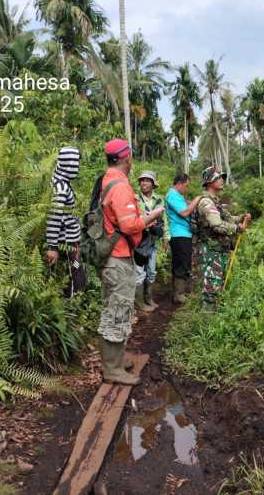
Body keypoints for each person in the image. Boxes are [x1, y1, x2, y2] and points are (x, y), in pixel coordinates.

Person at [98, 139, 164, 385]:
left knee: (115, 307)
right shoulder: (121, 186)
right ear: (127, 158)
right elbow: (128, 225)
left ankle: (115, 359)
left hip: (111, 256)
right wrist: (151, 216)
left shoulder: (106, 179)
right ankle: (112, 369)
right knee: (118, 310)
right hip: (118, 256)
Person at [195, 167, 251, 310]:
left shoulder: (215, 201)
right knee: (212, 288)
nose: (221, 180)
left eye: (221, 177)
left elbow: (228, 218)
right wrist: (237, 228)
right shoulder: (206, 202)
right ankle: (206, 321)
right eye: (218, 177)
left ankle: (213, 317)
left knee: (218, 285)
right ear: (209, 181)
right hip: (211, 252)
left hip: (219, 251)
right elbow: (217, 225)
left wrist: (241, 218)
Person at [45, 147, 83, 296]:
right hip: (66, 241)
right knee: (74, 274)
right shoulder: (60, 187)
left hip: (68, 240)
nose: (78, 167)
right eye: (76, 163)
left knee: (71, 272)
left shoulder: (60, 181)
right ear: (70, 164)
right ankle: (74, 306)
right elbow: (54, 216)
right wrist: (52, 246)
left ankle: (73, 304)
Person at [135, 171, 170, 312]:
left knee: (151, 271)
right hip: (139, 242)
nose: (144, 183)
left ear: (153, 184)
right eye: (142, 180)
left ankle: (148, 298)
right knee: (139, 272)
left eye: (147, 180)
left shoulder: (160, 199)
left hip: (154, 241)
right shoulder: (135, 199)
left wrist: (166, 237)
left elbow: (164, 220)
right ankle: (139, 302)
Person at [165, 174, 202, 304]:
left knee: (182, 262)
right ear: (179, 183)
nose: (186, 189)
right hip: (179, 234)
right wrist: (197, 199)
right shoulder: (172, 195)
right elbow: (184, 212)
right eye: (186, 186)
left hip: (183, 234)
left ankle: (180, 293)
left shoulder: (178, 196)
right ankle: (179, 295)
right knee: (182, 264)